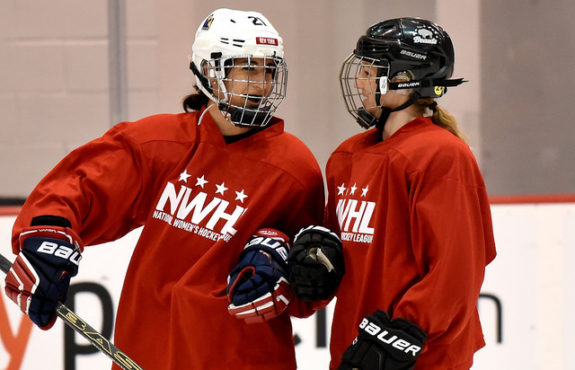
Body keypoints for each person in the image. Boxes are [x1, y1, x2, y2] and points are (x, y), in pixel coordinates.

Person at [3, 8, 325, 369]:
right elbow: (80, 182)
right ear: (210, 72)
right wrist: (48, 236)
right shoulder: (159, 142)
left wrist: (286, 267)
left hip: (243, 357)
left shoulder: (296, 168)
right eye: (248, 69)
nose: (261, 84)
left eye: (268, 71)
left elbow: (309, 285)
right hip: (150, 350)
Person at [289, 17, 496, 370]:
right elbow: (340, 255)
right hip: (355, 355)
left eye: (370, 72)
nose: (359, 81)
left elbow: (455, 271)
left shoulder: (441, 155)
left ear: (403, 80)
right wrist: (315, 262)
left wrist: (400, 335)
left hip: (419, 358)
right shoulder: (346, 157)